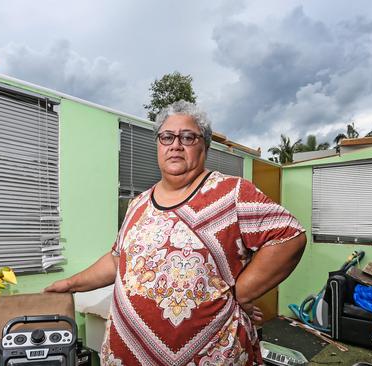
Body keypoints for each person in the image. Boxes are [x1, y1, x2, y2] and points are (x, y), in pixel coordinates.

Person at [45, 100, 307, 365]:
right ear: (158, 144)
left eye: (188, 137)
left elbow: (289, 237)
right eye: (167, 137)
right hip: (130, 354)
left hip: (212, 354)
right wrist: (69, 284)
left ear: (204, 145)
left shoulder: (231, 193)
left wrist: (241, 293)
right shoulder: (139, 204)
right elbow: (117, 260)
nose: (175, 145)